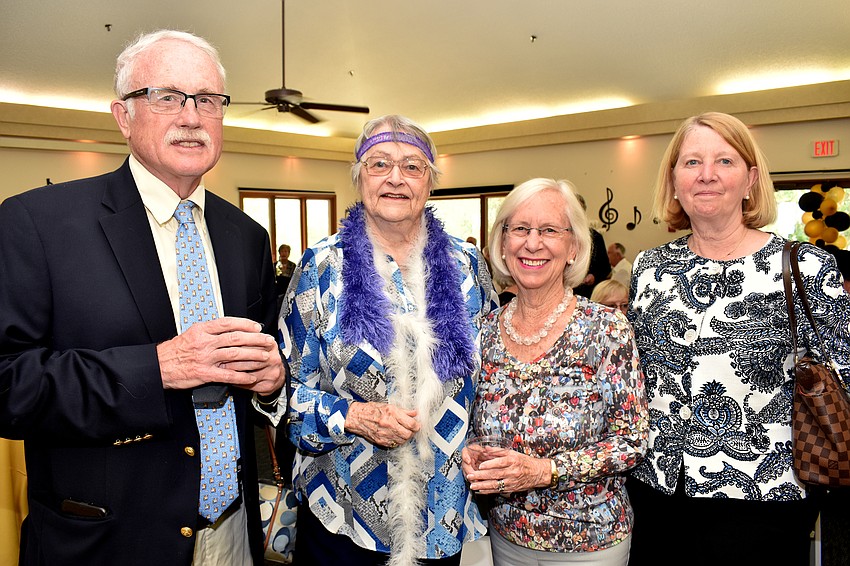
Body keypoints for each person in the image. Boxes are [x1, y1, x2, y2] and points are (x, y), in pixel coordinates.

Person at [0, 30, 285, 565]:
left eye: (208, 100)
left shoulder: (245, 236)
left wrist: (272, 384)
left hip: (232, 534)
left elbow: (259, 363)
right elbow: (7, 383)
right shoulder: (37, 224)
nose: (192, 116)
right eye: (167, 97)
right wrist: (155, 369)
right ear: (123, 115)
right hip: (109, 541)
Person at [625, 112, 850, 566]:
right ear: (673, 180)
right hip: (658, 492)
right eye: (691, 162)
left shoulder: (807, 268)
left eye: (723, 161)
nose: (706, 174)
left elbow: (844, 380)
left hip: (765, 497)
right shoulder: (650, 268)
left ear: (750, 180)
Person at [278, 115, 497, 566]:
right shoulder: (321, 266)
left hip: (440, 511)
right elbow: (285, 397)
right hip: (344, 509)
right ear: (359, 178)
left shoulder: (468, 265)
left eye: (412, 167)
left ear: (430, 183)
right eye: (380, 164)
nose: (396, 178)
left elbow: (490, 378)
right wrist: (353, 415)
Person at [462, 178, 648, 566]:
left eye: (549, 230)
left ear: (573, 247)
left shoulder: (606, 329)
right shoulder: (481, 331)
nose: (533, 243)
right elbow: (470, 421)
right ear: (501, 243)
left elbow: (632, 440)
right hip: (504, 536)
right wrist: (471, 449)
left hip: (590, 543)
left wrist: (545, 471)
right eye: (520, 229)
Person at [573, 194, 611, 297]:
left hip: (586, 294)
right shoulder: (555, 234)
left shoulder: (595, 237)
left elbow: (605, 268)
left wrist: (594, 276)